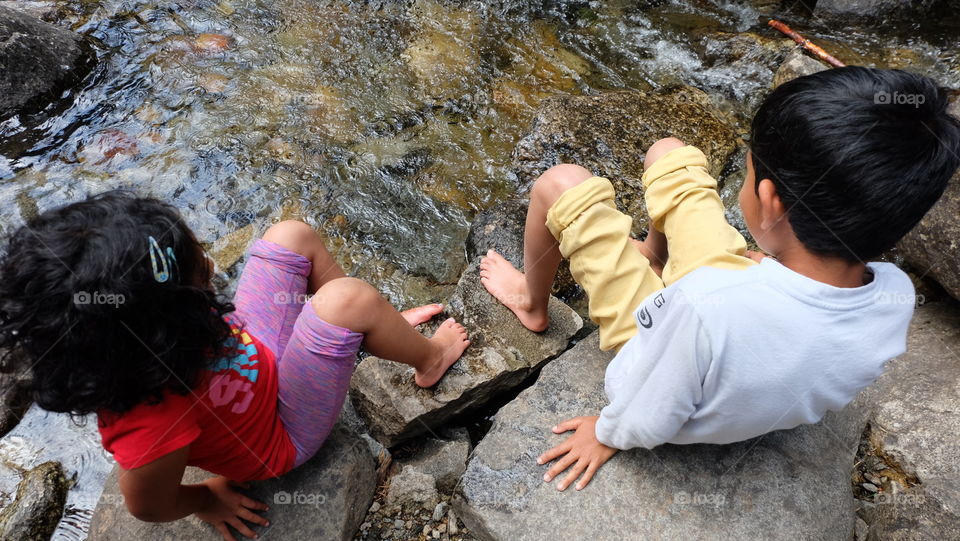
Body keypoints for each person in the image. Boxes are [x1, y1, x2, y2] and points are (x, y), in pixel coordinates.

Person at [479, 66, 960, 492]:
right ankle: (652, 254)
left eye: (749, 175)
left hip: (670, 332)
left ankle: (531, 303)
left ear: (769, 202)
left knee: (559, 183)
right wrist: (769, 268)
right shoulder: (895, 293)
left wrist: (607, 434)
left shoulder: (702, 309)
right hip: (735, 308)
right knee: (670, 155)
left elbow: (649, 407)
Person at [0, 194, 470, 541]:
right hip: (282, 430)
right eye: (196, 265)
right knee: (347, 300)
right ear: (170, 323)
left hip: (255, 350)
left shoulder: (138, 337)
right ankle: (430, 358)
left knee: (291, 236)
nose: (208, 258)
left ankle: (371, 326)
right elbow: (146, 504)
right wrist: (205, 499)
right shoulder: (150, 422)